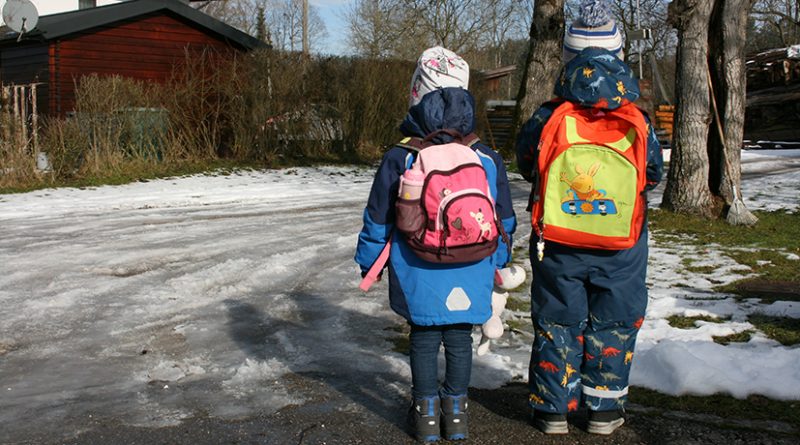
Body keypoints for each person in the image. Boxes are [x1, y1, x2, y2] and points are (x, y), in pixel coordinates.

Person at [515, 0, 663, 436]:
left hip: (559, 240)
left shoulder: (548, 116)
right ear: (619, 56)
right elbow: (651, 174)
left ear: (567, 58)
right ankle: (604, 411)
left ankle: (552, 409)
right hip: (622, 242)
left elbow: (529, 164)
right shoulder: (637, 119)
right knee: (614, 320)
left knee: (559, 318)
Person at [355, 46, 517, 442]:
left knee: (425, 339)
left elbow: (378, 217)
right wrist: (499, 260)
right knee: (460, 339)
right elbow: (505, 220)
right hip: (474, 262)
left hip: (417, 264)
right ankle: (456, 416)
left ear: (417, 94)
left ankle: (426, 417)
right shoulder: (487, 157)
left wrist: (369, 261)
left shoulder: (401, 156)